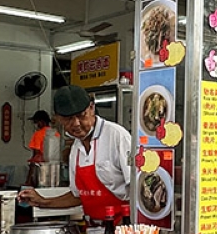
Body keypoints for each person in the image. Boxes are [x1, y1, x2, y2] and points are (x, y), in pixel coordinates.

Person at [17, 85, 131, 217]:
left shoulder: (117, 137)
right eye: (68, 118)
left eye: (81, 115)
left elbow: (138, 189)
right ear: (59, 119)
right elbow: (78, 196)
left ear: (91, 108)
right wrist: (43, 201)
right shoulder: (76, 148)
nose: (76, 123)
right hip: (93, 230)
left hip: (122, 230)